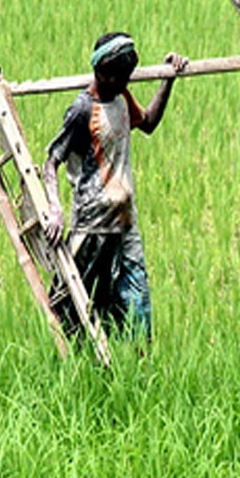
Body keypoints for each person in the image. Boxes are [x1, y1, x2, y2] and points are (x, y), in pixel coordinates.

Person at [42, 31, 188, 345]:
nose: (123, 85)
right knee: (74, 304)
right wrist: (54, 209)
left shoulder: (122, 96)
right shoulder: (82, 110)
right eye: (117, 79)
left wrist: (168, 80)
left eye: (127, 79)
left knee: (137, 303)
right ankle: (78, 365)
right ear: (101, 73)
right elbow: (51, 161)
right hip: (92, 224)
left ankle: (138, 373)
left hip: (126, 221)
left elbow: (147, 123)